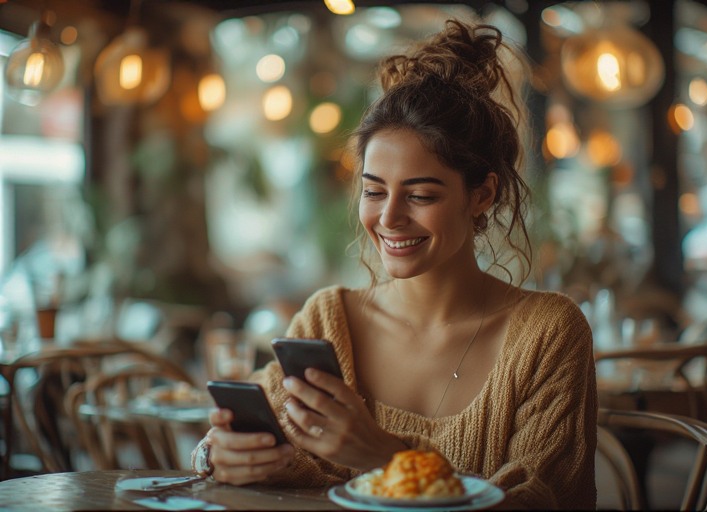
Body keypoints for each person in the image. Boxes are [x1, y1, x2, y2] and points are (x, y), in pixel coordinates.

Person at [192, 17, 597, 509]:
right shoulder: (327, 322)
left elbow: (543, 499)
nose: (389, 219)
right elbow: (270, 455)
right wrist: (224, 455)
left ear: (482, 195)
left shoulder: (548, 334)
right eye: (374, 191)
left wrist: (384, 456)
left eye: (420, 195)